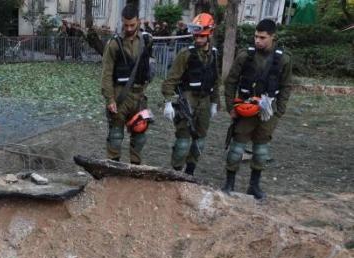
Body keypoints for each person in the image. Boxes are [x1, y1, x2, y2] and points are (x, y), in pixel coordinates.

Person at [222, 19, 292, 199]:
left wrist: (279, 112)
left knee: (261, 152)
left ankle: (254, 186)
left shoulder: (283, 59)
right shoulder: (245, 56)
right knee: (236, 149)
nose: (257, 41)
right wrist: (231, 107)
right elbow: (231, 82)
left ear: (273, 37)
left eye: (262, 37)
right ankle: (229, 183)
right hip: (244, 110)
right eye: (255, 36)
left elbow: (286, 87)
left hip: (268, 113)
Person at [161, 13, 219, 175]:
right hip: (187, 99)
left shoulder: (214, 54)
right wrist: (167, 102)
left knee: (199, 142)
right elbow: (171, 79)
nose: (198, 39)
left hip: (205, 101)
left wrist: (214, 103)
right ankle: (176, 172)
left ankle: (190, 173)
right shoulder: (185, 54)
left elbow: (216, 79)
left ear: (209, 34)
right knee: (183, 143)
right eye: (196, 36)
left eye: (202, 36)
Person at [101, 5, 153, 164]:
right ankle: (114, 167)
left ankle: (135, 168)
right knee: (115, 137)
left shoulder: (146, 40)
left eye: (132, 24)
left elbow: (148, 65)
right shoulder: (114, 44)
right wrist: (110, 99)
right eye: (126, 25)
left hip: (139, 97)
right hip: (119, 96)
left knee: (140, 136)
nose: (129, 28)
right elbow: (106, 74)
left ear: (139, 21)